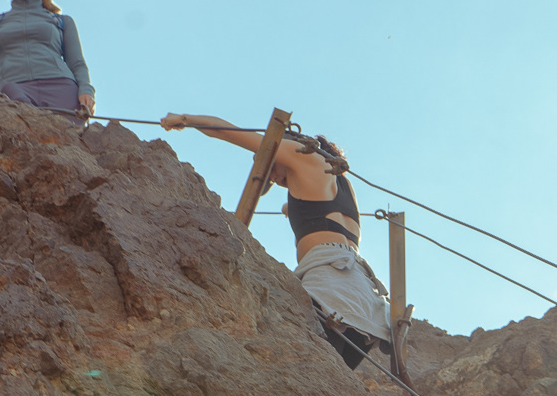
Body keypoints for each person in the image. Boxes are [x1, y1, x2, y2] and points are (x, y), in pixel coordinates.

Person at [159, 113, 393, 367]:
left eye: (271, 166)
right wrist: (290, 209)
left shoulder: (302, 155)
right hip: (361, 295)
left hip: (330, 286)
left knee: (306, 369)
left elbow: (229, 132)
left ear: (286, 147)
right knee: (332, 379)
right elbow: (324, 215)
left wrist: (186, 119)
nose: (271, 177)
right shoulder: (338, 179)